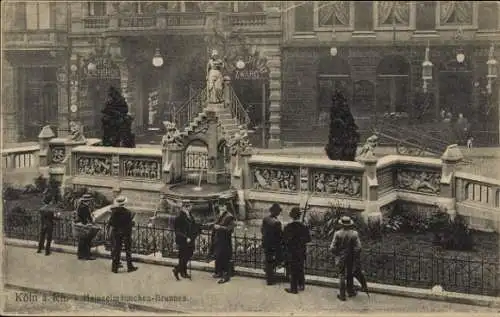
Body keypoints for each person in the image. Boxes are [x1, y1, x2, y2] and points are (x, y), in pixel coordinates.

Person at [329, 216, 362, 301]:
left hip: (341, 257)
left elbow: (332, 248)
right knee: (350, 274)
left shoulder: (337, 234)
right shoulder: (354, 234)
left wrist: (337, 254)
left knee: (341, 274)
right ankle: (350, 292)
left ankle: (342, 295)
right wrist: (355, 254)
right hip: (350, 257)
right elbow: (359, 247)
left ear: (341, 224)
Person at [283, 207, 311, 294]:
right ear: (299, 216)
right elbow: (308, 239)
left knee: (292, 269)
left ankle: (293, 289)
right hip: (301, 251)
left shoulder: (288, 226)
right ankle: (301, 285)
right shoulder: (304, 227)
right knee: (300, 267)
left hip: (291, 251)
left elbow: (284, 240)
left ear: (291, 216)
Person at [107, 196, 138, 273]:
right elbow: (129, 224)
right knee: (128, 250)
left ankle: (114, 268)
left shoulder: (114, 212)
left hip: (116, 232)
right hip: (125, 233)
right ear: (124, 203)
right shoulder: (128, 212)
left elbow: (110, 223)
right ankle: (129, 267)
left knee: (117, 250)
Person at [173, 201, 200, 280]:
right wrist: (185, 237)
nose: (191, 208)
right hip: (183, 240)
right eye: (190, 206)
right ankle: (180, 271)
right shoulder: (179, 217)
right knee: (183, 256)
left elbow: (193, 225)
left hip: (190, 239)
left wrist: (198, 229)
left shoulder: (189, 215)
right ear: (184, 207)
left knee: (188, 254)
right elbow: (177, 231)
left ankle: (180, 270)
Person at [211, 203, 236, 284]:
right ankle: (219, 272)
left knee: (225, 258)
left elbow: (230, 229)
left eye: (222, 206)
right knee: (218, 257)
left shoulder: (229, 216)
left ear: (226, 206)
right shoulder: (220, 214)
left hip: (225, 241)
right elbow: (216, 224)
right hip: (219, 239)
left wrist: (220, 227)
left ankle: (226, 277)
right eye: (220, 206)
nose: (221, 208)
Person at [261, 203, 284, 285]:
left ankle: (269, 278)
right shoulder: (277, 222)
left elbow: (262, 231)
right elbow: (280, 236)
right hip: (274, 245)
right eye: (278, 211)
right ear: (276, 212)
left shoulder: (265, 219)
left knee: (268, 261)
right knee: (275, 261)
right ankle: (271, 279)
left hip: (266, 243)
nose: (279, 213)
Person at [76, 194, 96, 260]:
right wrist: (90, 222)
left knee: (81, 241)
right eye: (89, 201)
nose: (90, 202)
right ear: (87, 201)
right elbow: (87, 217)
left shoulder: (80, 206)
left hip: (80, 225)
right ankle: (87, 255)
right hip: (84, 225)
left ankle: (80, 255)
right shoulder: (85, 207)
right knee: (87, 240)